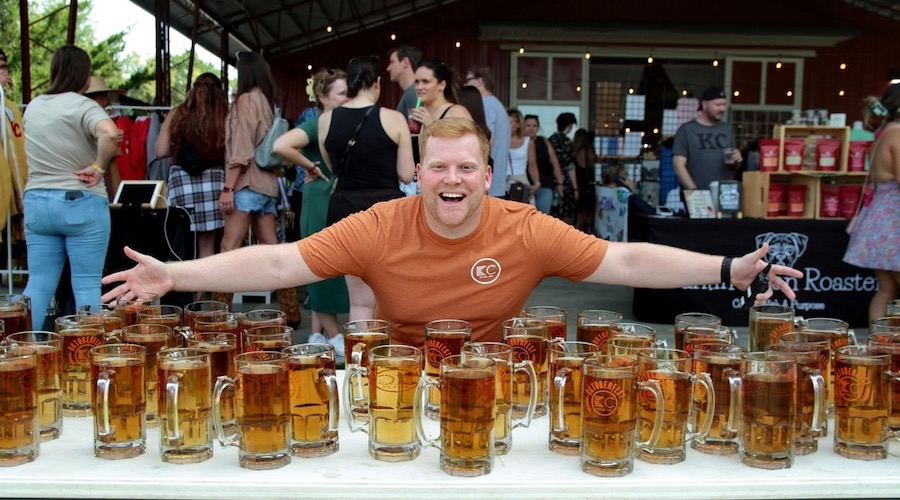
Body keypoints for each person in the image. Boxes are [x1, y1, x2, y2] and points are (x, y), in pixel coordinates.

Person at [103, 118, 803, 349]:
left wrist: (726, 270)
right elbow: (280, 262)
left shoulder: (523, 228)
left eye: (467, 167)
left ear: (489, 176)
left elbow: (623, 258)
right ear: (419, 175)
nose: (453, 179)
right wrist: (176, 275)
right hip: (398, 386)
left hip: (495, 387)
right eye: (439, 166)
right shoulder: (380, 223)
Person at [22, 45, 118, 327]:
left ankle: (14, 354)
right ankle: (89, 360)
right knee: (87, 287)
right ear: (85, 77)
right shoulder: (84, 105)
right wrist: (99, 167)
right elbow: (109, 134)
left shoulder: (34, 105)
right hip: (80, 201)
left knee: (37, 285)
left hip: (38, 203)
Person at [319, 55, 415, 321]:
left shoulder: (327, 119)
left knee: (360, 302)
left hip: (345, 209)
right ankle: (390, 359)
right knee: (389, 294)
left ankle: (359, 360)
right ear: (378, 83)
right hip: (386, 212)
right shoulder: (394, 119)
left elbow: (332, 167)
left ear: (350, 83)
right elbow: (406, 174)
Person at [217, 51, 300, 327]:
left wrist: (228, 186)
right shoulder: (266, 101)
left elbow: (241, 150)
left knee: (228, 249)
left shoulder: (244, 102)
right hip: (267, 185)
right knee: (273, 251)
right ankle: (291, 312)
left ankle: (217, 316)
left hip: (247, 184)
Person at [273, 68, 350, 352]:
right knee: (322, 266)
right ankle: (334, 336)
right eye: (341, 93)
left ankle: (317, 333)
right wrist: (310, 166)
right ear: (323, 96)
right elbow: (281, 146)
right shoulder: (318, 123)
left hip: (329, 197)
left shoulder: (340, 123)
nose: (346, 99)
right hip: (319, 199)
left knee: (324, 267)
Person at [155, 73, 227, 300]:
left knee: (181, 241)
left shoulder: (178, 113)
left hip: (182, 179)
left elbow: (160, 151)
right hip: (214, 180)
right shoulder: (224, 116)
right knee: (207, 245)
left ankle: (179, 297)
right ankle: (197, 300)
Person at [843, 85, 900, 323]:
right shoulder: (898, 133)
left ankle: (877, 344)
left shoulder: (883, 132)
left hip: (881, 217)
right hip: (893, 220)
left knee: (887, 290)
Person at [672, 86, 743, 191]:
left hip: (723, 194)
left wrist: (737, 161)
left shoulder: (727, 129)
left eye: (724, 105)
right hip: (695, 195)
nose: (722, 109)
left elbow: (731, 165)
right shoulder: (687, 130)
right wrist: (694, 191)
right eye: (718, 105)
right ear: (704, 105)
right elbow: (678, 165)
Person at [465, 65, 510, 198]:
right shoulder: (496, 104)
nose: (465, 84)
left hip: (489, 182)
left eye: (468, 80)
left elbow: (486, 139)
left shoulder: (486, 104)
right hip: (497, 180)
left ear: (479, 81)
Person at [523, 114, 564, 214]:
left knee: (543, 216)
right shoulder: (520, 142)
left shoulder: (544, 141)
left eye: (534, 126)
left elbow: (554, 161)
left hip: (544, 183)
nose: (531, 129)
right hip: (526, 183)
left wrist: (560, 182)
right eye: (528, 126)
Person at [548, 112, 579, 223]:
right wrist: (575, 188)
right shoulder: (567, 142)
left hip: (551, 181)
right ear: (570, 125)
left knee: (553, 213)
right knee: (565, 214)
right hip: (565, 183)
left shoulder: (550, 140)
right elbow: (570, 166)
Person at [507, 108, 539, 201]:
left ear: (518, 125)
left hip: (521, 179)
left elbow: (532, 165)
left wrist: (537, 183)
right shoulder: (499, 141)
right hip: (503, 181)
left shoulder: (528, 141)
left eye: (510, 123)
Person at [572, 128, 597, 233]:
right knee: (587, 214)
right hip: (587, 183)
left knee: (580, 215)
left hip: (578, 182)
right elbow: (592, 164)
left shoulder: (574, 152)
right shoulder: (588, 151)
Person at [386, 45, 422, 119]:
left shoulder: (413, 91)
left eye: (392, 62)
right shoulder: (412, 91)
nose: (388, 68)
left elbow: (415, 128)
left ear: (405, 62)